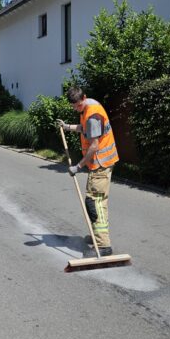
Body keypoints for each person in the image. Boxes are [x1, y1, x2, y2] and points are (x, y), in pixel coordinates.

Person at [57, 86, 119, 258]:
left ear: (83, 97)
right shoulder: (89, 106)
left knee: (94, 203)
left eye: (78, 105)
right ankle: (97, 236)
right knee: (97, 201)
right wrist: (67, 127)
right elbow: (84, 128)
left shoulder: (92, 115)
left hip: (100, 163)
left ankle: (103, 245)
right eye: (74, 106)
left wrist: (78, 166)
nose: (76, 108)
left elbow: (94, 146)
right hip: (101, 163)